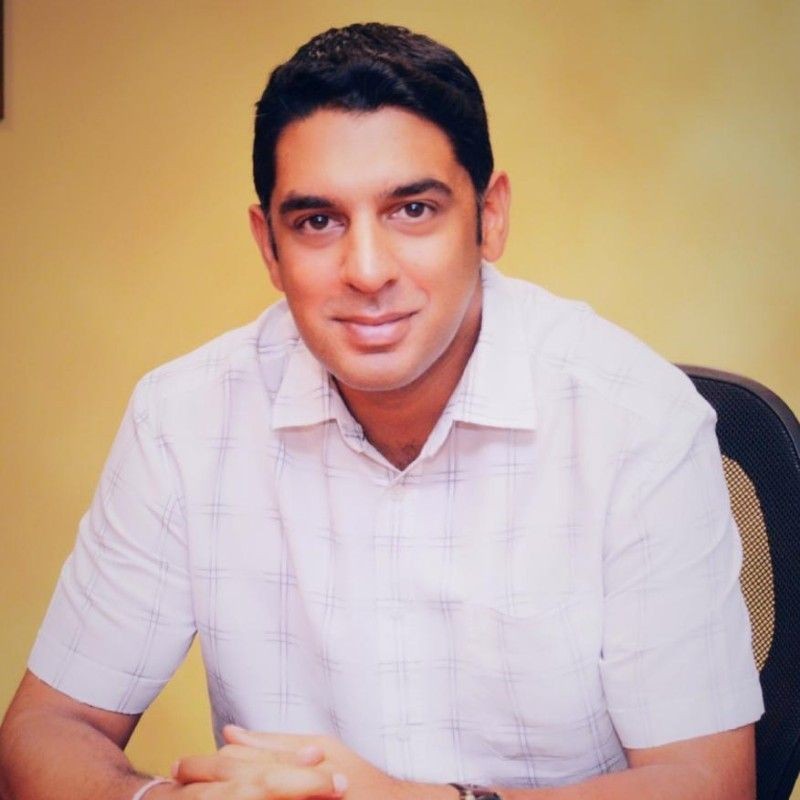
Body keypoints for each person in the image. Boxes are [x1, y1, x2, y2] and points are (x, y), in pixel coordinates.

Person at [0, 22, 763, 800]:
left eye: (412, 210)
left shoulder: (637, 420)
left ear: (489, 217)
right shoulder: (183, 419)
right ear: (269, 246)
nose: (366, 271)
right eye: (318, 222)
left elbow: (707, 783)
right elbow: (46, 729)